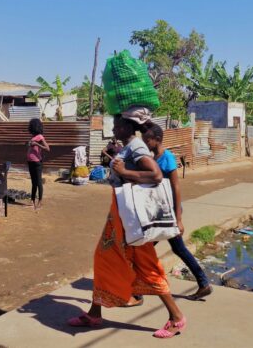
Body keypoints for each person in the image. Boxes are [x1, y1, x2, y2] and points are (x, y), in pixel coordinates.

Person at [68, 114, 186, 338]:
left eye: (116, 126)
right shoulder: (128, 146)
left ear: (126, 127)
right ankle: (94, 313)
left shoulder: (136, 146)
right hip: (119, 217)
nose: (113, 129)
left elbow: (155, 174)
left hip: (132, 221)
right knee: (103, 259)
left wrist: (124, 173)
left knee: (146, 266)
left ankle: (177, 317)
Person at [142, 123, 213, 301]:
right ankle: (203, 283)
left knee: (147, 248)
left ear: (157, 140)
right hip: (160, 211)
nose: (145, 142)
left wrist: (178, 219)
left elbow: (176, 186)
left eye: (147, 139)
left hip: (169, 212)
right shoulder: (154, 157)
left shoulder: (167, 158)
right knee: (173, 248)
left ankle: (138, 287)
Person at [27, 118, 50, 209]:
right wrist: (29, 144)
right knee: (33, 182)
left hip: (37, 162)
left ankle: (40, 202)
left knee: (39, 182)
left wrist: (37, 144)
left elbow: (47, 148)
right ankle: (32, 202)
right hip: (30, 161)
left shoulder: (40, 136)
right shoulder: (33, 137)